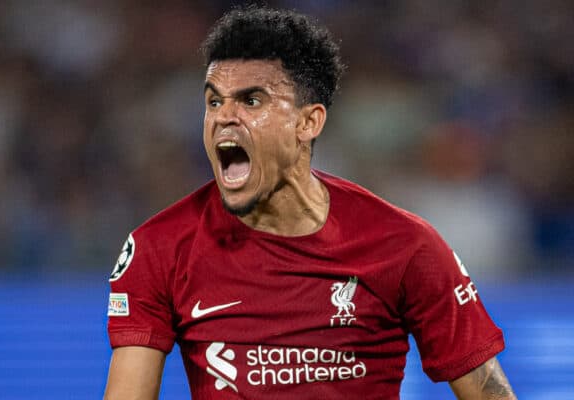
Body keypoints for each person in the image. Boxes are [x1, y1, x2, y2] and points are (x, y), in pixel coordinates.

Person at [104, 6, 516, 400]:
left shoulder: (406, 246)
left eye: (251, 101)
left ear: (308, 122)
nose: (223, 117)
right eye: (214, 101)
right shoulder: (159, 249)